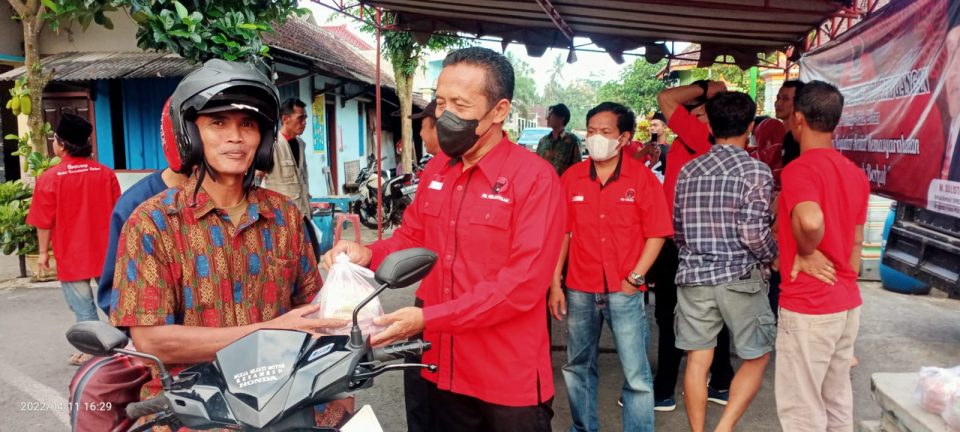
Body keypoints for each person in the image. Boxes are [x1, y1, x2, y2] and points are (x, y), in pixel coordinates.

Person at [322, 47, 564, 432]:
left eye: (460, 105)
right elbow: (413, 238)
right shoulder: (437, 170)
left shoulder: (534, 178)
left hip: (507, 377)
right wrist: (367, 253)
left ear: (499, 110)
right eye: (440, 102)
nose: (444, 114)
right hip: (442, 369)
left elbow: (523, 285)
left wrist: (428, 318)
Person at [109, 59, 347, 427]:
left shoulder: (284, 216)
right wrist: (269, 333)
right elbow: (152, 341)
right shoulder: (152, 223)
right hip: (189, 411)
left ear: (262, 139)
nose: (235, 137)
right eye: (218, 123)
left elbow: (312, 312)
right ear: (191, 134)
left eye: (247, 124)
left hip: (283, 403)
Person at [549, 102, 671, 432]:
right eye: (591, 131)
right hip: (580, 287)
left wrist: (635, 277)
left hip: (624, 289)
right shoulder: (572, 178)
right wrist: (555, 283)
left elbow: (657, 233)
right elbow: (563, 233)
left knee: (636, 374)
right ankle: (583, 428)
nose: (596, 138)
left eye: (605, 132)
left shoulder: (642, 179)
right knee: (578, 366)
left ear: (624, 138)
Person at [673, 92, 778, 432]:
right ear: (750, 127)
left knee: (697, 360)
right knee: (757, 355)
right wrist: (772, 255)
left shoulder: (689, 170)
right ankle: (724, 428)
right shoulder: (756, 170)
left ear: (710, 127)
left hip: (694, 276)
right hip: (740, 277)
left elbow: (679, 230)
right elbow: (753, 232)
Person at [775, 81, 870, 431]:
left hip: (809, 304)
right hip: (846, 302)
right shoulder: (855, 174)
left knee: (803, 409)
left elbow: (811, 219)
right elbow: (856, 242)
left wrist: (806, 250)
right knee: (836, 399)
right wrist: (845, 283)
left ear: (798, 118)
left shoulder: (800, 169)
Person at [650, 80, 735, 411]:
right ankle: (722, 382)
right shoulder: (697, 140)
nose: (691, 116)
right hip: (698, 241)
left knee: (670, 314)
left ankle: (664, 390)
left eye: (699, 112)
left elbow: (665, 97)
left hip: (681, 244)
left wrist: (703, 86)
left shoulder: (698, 137)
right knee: (712, 311)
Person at [26, 113, 121, 366]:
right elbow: (118, 213)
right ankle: (129, 346)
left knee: (83, 308)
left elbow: (43, 221)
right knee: (117, 303)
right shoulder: (105, 174)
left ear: (62, 144)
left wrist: (43, 253)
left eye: (54, 139)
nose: (53, 143)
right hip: (107, 253)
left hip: (72, 255)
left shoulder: (50, 178)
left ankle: (94, 352)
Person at [97, 97, 188, 315]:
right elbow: (117, 299)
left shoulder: (258, 206)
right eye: (217, 125)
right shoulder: (136, 207)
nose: (234, 139)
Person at [262, 97, 311, 217]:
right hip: (281, 217)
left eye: (305, 118)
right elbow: (257, 180)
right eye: (300, 118)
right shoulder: (272, 145)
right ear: (285, 119)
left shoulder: (301, 144)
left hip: (303, 213)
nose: (304, 123)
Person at [537, 103, 583, 177]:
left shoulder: (572, 141)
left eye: (550, 115)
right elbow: (537, 164)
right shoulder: (543, 141)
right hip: (544, 182)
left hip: (564, 183)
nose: (547, 118)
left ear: (562, 118)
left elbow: (578, 168)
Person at [776, 80, 806, 167]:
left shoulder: (799, 138)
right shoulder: (781, 135)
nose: (778, 103)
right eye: (778, 98)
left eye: (785, 99)